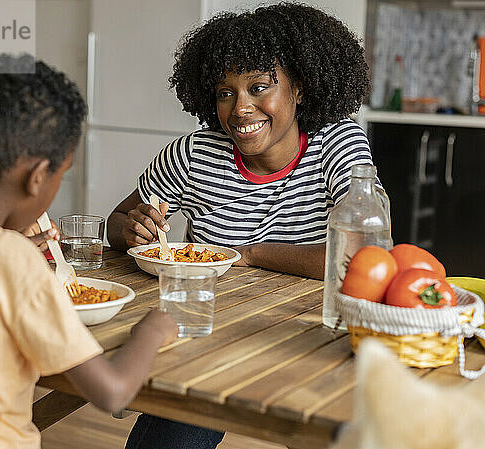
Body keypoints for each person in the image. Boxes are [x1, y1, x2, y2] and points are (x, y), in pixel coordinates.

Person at [107, 2, 376, 448]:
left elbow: (358, 256)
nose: (240, 109)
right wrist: (132, 230)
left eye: (259, 87)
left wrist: (247, 254)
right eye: (225, 92)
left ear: (300, 90)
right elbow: (117, 223)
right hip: (211, 331)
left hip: (307, 332)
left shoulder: (339, 143)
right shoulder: (195, 154)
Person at [0, 54, 177, 449]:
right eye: (60, 175)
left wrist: (11, 248)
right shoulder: (12, 261)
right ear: (38, 176)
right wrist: (151, 329)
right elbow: (113, 392)